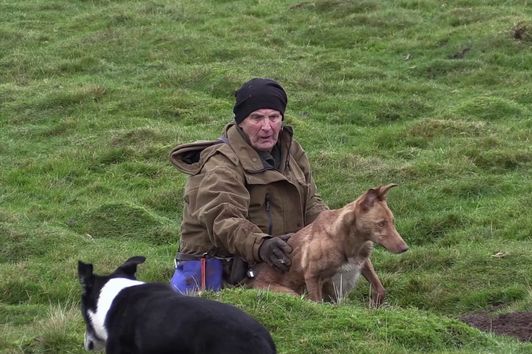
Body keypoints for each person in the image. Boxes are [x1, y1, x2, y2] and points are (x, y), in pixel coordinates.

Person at [169, 78, 328, 294]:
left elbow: (311, 202)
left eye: (274, 117)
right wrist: (262, 245)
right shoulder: (220, 163)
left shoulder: (292, 152)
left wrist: (334, 228)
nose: (266, 127)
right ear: (240, 122)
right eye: (256, 118)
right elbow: (223, 220)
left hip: (277, 266)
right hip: (223, 276)